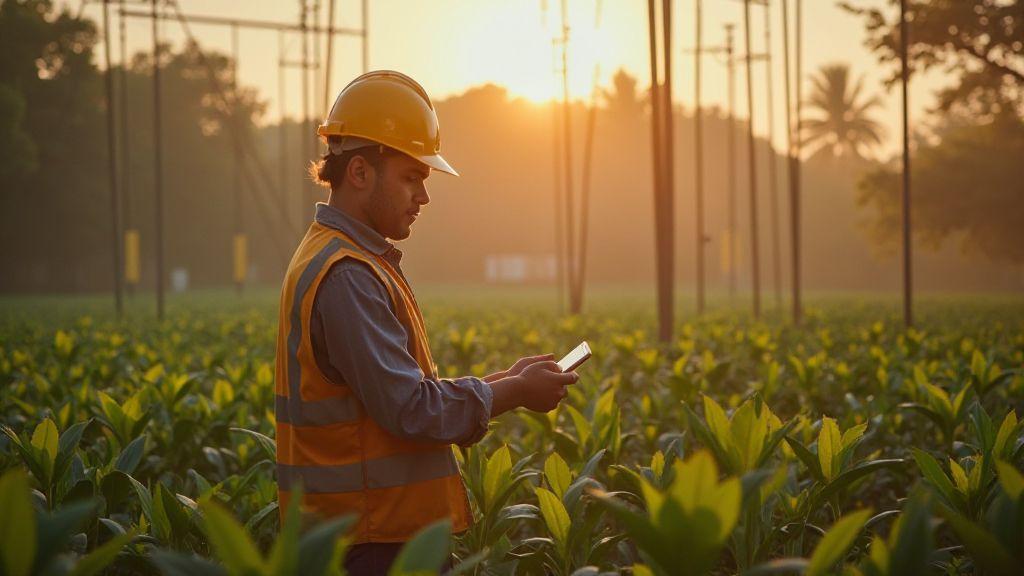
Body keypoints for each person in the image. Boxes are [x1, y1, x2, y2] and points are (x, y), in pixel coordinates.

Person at [273, 70, 579, 576]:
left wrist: (509, 380)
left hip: (366, 533)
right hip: (370, 543)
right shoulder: (347, 275)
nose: (424, 196)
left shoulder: (336, 257)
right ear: (359, 173)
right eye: (411, 177)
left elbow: (397, 395)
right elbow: (411, 409)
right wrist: (517, 393)